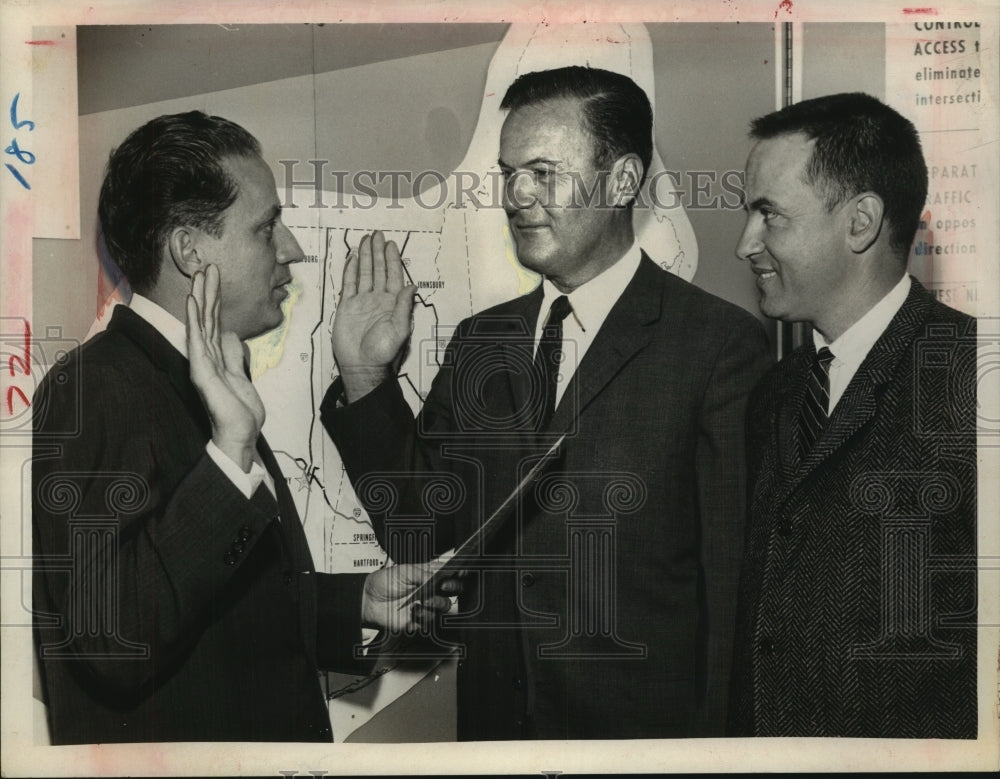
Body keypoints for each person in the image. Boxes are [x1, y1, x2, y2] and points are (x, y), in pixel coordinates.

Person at [323, 66, 772, 740]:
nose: (517, 195)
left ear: (622, 180)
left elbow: (734, 598)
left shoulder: (717, 346)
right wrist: (364, 376)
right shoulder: (483, 341)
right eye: (508, 174)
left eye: (542, 171)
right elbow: (419, 526)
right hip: (495, 740)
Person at [32, 111, 453, 744]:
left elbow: (212, 608)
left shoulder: (195, 373)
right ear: (190, 250)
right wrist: (230, 455)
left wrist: (355, 602)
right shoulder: (96, 386)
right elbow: (110, 639)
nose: (291, 249)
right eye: (265, 228)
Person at [729, 92, 977, 738]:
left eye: (769, 215)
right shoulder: (776, 392)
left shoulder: (975, 380)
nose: (744, 244)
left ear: (860, 221)